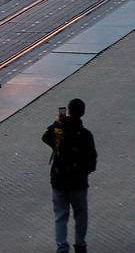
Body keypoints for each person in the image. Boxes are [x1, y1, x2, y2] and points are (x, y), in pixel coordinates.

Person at [42, 98, 97, 253]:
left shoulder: (59, 130)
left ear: (69, 111)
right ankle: (80, 244)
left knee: (60, 216)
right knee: (81, 216)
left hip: (59, 181)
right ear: (83, 113)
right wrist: (85, 172)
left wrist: (57, 123)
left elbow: (45, 138)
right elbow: (92, 160)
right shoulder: (86, 135)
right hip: (78, 183)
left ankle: (62, 247)